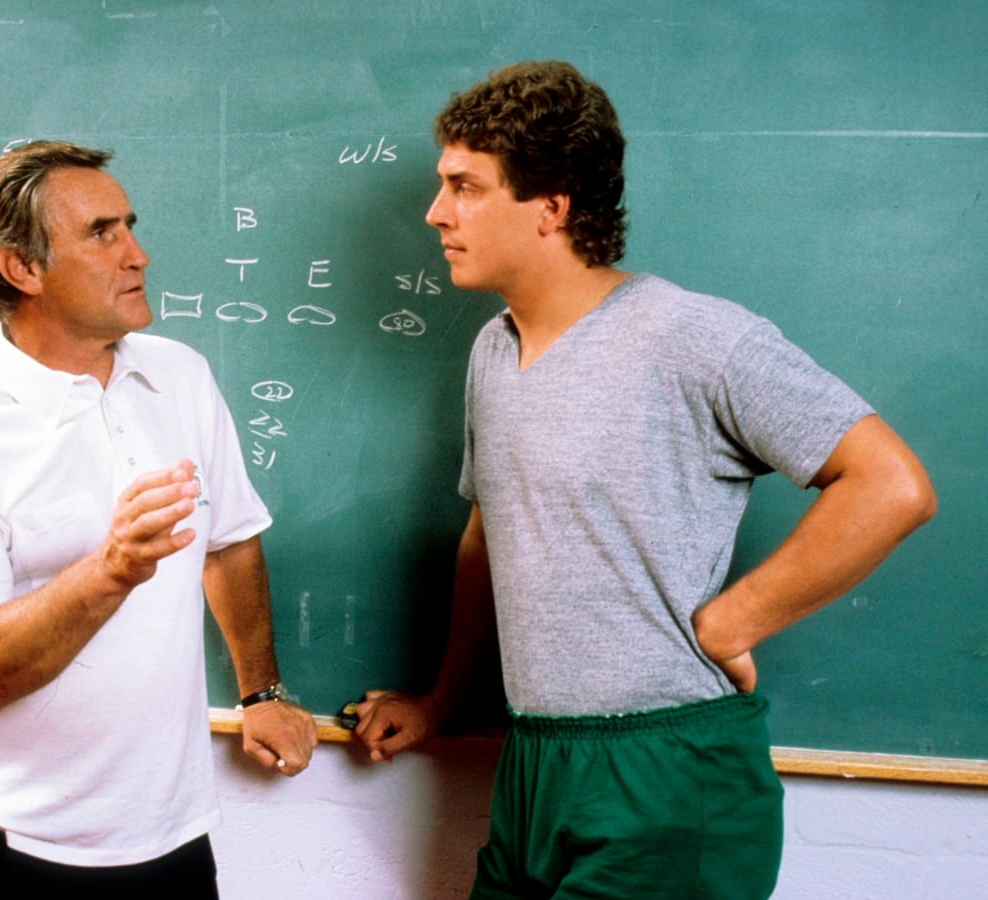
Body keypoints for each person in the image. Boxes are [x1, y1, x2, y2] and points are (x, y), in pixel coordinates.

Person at [355, 61, 936, 899]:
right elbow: (492, 535)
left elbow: (891, 484)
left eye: (465, 187)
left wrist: (732, 622)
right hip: (534, 765)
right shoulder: (493, 350)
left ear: (551, 205)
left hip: (666, 769)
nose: (435, 212)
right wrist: (445, 702)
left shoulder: (693, 337)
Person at [0, 141, 317, 897]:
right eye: (102, 233)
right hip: (5, 839)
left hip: (170, 831)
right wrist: (113, 568)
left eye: (130, 226)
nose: (138, 254)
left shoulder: (179, 374)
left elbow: (229, 542)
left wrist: (262, 693)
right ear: (23, 268)